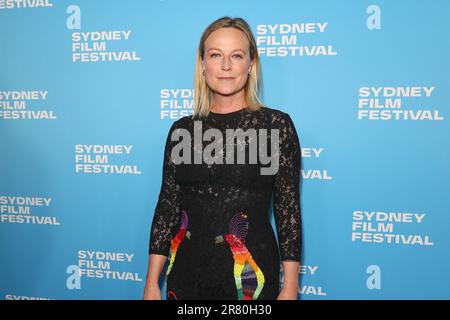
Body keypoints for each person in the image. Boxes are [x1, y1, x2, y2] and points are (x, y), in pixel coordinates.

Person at [143, 16, 302, 300]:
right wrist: (151, 282)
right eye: (216, 55)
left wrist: (290, 287)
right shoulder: (182, 131)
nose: (226, 65)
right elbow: (167, 208)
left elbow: (288, 210)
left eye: (236, 56)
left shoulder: (275, 127)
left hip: (249, 281)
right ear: (203, 64)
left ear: (251, 64)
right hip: (186, 276)